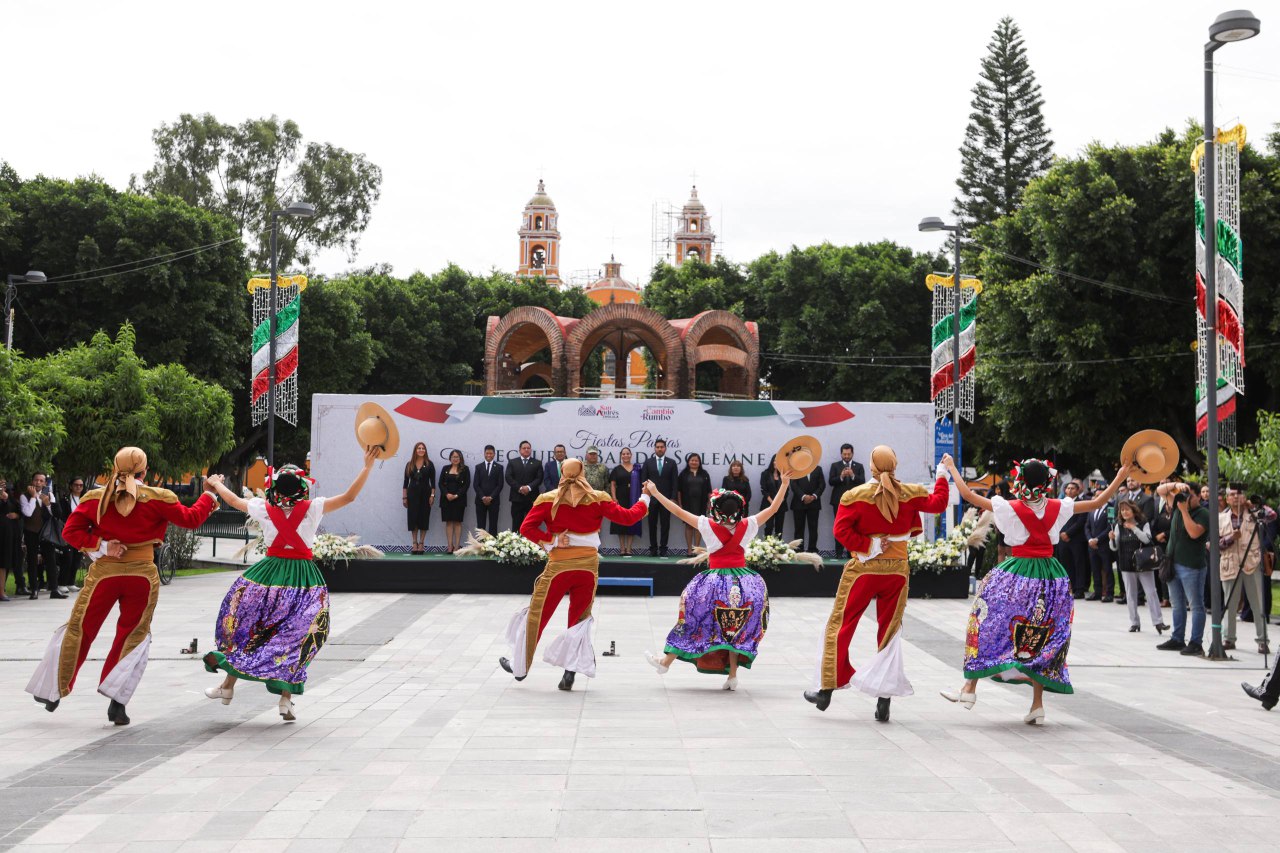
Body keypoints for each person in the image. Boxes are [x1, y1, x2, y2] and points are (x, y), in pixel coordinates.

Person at [27, 447, 217, 725]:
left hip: (105, 574)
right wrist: (209, 494)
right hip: (142, 577)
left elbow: (70, 532)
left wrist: (103, 546)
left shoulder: (96, 498)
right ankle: (117, 702)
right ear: (144, 470)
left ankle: (52, 690)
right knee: (132, 635)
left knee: (80, 628)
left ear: (115, 468)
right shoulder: (158, 498)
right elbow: (191, 518)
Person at [941, 456, 1129, 724]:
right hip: (1051, 577)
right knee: (1041, 635)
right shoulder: (1059, 506)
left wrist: (951, 467)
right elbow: (1097, 503)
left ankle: (970, 688)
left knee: (987, 622)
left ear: (1020, 481)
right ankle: (1037, 705)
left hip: (1017, 573)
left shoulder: (1008, 507)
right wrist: (1120, 475)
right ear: (1046, 482)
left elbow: (968, 495)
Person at [201, 448, 377, 721]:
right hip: (304, 581)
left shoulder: (264, 508)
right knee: (295, 637)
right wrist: (367, 466)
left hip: (267, 577)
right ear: (302, 487)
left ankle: (228, 686)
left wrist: (216, 483)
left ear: (275, 487)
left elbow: (234, 500)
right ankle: (285, 699)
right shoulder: (313, 508)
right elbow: (349, 497)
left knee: (247, 627)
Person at [805, 445, 950, 722]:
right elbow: (939, 503)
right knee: (889, 631)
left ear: (871, 466)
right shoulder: (910, 492)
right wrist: (942, 472)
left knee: (842, 624)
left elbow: (841, 531)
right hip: (897, 572)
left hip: (864, 570)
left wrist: (868, 545)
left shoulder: (854, 495)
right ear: (894, 465)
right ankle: (884, 698)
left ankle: (826, 690)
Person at [499, 458, 650, 690]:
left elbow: (526, 528)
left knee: (537, 615)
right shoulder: (598, 498)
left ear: (562, 473)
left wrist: (552, 540)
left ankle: (520, 667)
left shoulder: (547, 499)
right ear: (582, 473)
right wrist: (645, 497)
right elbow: (629, 517)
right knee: (579, 618)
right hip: (587, 569)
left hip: (559, 567)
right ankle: (569, 672)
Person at [644, 475, 791, 689]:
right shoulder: (749, 524)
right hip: (743, 584)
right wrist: (784, 484)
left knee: (694, 620)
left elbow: (677, 511)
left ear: (716, 509)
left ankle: (666, 662)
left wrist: (656, 492)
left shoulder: (707, 525)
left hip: (714, 583)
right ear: (739, 509)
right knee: (735, 627)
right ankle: (732, 676)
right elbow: (774, 508)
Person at [1155, 481, 1210, 657]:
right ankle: (1177, 638)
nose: (1185, 499)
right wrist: (1177, 484)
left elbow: (1194, 533)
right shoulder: (1178, 505)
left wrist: (1184, 511)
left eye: (1190, 495)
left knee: (1196, 605)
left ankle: (1196, 642)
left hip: (1192, 566)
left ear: (1199, 496)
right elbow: (1160, 490)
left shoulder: (1203, 513)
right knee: (1177, 604)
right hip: (1173, 564)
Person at [1219, 486, 1269, 655]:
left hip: (1251, 563)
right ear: (1227, 499)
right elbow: (1214, 544)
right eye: (1232, 494)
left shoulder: (1254, 515)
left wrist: (1252, 504)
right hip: (1230, 563)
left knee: (1258, 604)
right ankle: (1228, 638)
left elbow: (1271, 515)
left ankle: (1263, 640)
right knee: (1230, 603)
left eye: (1239, 494)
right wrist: (1230, 538)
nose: (1236, 497)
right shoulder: (1220, 518)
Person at [1108, 500, 1165, 633]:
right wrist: (1111, 539)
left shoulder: (1143, 523)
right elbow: (1114, 548)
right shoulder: (1118, 526)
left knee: (1151, 592)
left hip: (1144, 564)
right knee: (1130, 594)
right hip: (1126, 564)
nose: (1124, 512)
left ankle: (1158, 621)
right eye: (1122, 510)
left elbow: (1147, 539)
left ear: (1134, 510)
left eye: (1127, 509)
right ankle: (1134, 622)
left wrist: (1134, 528)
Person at [20, 473, 60, 599]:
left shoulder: (50, 494)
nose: (38, 483)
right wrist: (33, 497)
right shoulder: (24, 496)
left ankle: (54, 589)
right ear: (32, 481)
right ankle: (34, 589)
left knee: (51, 559)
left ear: (45, 483)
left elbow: (57, 514)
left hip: (46, 532)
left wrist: (48, 504)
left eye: (41, 481)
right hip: (31, 531)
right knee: (32, 560)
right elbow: (28, 513)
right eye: (36, 480)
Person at [828, 444, 866, 559]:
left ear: (852, 454)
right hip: (838, 501)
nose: (846, 456)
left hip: (855, 502)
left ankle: (852, 553)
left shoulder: (859, 466)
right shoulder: (835, 466)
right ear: (841, 454)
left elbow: (863, 482)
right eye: (844, 454)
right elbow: (830, 482)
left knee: (853, 527)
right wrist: (841, 476)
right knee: (839, 527)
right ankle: (838, 553)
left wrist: (853, 475)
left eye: (849, 454)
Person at [642, 439, 678, 556]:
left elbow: (675, 482)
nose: (659, 449)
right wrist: (645, 497)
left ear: (665, 448)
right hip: (651, 499)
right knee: (652, 524)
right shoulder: (648, 462)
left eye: (662, 447)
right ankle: (653, 549)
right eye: (657, 447)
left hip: (666, 499)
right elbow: (644, 481)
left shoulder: (672, 463)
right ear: (654, 448)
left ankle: (663, 549)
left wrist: (673, 498)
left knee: (665, 524)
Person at [1055, 481, 1089, 598]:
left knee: (1078, 564)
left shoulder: (1080, 503)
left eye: (1072, 488)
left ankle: (1079, 589)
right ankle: (1069, 587)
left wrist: (1068, 533)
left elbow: (1081, 521)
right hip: (1062, 539)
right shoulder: (1061, 503)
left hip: (1076, 539)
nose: (1069, 490)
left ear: (1078, 491)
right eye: (1068, 488)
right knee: (1065, 564)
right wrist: (1061, 533)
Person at [54, 478, 87, 594]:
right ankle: (62, 583)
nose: (78, 487)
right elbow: (61, 515)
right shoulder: (65, 500)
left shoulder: (85, 499)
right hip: (68, 530)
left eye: (81, 485)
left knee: (77, 557)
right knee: (67, 557)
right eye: (76, 485)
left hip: (81, 531)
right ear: (71, 486)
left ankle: (70, 582)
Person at [402, 442, 435, 554]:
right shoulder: (409, 464)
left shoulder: (429, 464)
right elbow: (405, 482)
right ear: (415, 450)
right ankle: (414, 543)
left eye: (423, 448)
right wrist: (404, 497)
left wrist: (432, 495)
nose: (421, 450)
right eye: (419, 448)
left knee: (424, 518)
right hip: (412, 495)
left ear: (425, 450)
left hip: (426, 495)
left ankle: (421, 543)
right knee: (413, 518)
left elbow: (433, 482)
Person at [608, 448, 642, 556]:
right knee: (620, 522)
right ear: (621, 456)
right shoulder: (616, 469)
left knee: (632, 521)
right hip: (621, 497)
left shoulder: (637, 469)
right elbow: (613, 484)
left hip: (634, 498)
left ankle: (629, 549)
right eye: (623, 454)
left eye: (627, 453)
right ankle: (622, 549)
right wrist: (614, 498)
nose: (625, 455)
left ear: (631, 455)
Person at [1084, 489, 1116, 602]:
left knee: (1107, 569)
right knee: (1095, 569)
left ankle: (1109, 593)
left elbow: (1110, 527)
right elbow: (1087, 526)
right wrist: (1090, 539)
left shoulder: (1110, 509)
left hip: (1104, 545)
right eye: (1096, 495)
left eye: (1101, 495)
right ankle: (1097, 592)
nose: (1098, 497)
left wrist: (1097, 539)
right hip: (1092, 545)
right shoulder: (1092, 509)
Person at [677, 452, 712, 554]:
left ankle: (696, 550)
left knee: (699, 526)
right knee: (689, 526)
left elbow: (709, 491)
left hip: (701, 503)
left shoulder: (704, 474)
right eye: (692, 460)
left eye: (696, 460)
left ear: (699, 462)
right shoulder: (683, 474)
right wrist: (680, 504)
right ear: (688, 462)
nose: (694, 462)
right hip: (687, 503)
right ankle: (689, 550)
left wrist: (709, 504)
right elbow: (679, 491)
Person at [506, 440, 543, 532]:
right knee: (516, 524)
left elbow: (539, 478)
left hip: (532, 498)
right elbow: (508, 477)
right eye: (524, 448)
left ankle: (530, 541)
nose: (526, 450)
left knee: (532, 524)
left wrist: (528, 488)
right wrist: (520, 488)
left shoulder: (537, 463)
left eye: (528, 448)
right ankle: (516, 540)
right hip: (517, 498)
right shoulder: (512, 462)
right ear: (520, 450)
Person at [437, 450, 470, 553]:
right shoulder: (445, 468)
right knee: (448, 522)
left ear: (460, 458)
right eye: (453, 457)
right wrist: (447, 494)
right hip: (446, 499)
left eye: (457, 457)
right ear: (450, 458)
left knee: (457, 522)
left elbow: (466, 485)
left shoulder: (465, 469)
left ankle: (457, 546)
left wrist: (456, 495)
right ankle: (450, 546)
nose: (455, 459)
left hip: (459, 499)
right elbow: (440, 483)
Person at [791, 463, 825, 553]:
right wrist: (803, 496)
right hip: (798, 503)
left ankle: (812, 549)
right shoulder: (796, 467)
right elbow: (793, 484)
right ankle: (798, 550)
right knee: (799, 528)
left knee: (813, 528)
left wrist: (813, 496)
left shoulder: (818, 469)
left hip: (814, 503)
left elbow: (822, 485)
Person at [473, 445, 504, 536]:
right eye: (487, 453)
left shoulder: (499, 467)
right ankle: (480, 544)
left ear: (494, 454)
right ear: (484, 454)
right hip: (480, 500)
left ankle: (492, 544)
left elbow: (500, 485)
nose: (489, 455)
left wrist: (491, 497)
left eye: (491, 453)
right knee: (480, 525)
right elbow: (476, 484)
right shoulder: (478, 467)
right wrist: (483, 497)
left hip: (494, 501)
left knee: (493, 525)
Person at [0, 479, 20, 601]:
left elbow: (18, 511)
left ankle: (1, 591)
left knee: (3, 562)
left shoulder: (9, 496)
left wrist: (5, 499)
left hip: (5, 533)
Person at [759, 456, 786, 538]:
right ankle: (767, 544)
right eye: (774, 460)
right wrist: (773, 503)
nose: (776, 463)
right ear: (772, 462)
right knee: (769, 527)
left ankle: (778, 545)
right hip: (768, 504)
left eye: (778, 461)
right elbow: (763, 490)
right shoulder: (765, 474)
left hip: (781, 505)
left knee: (779, 528)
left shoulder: (784, 474)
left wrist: (779, 501)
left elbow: (786, 489)